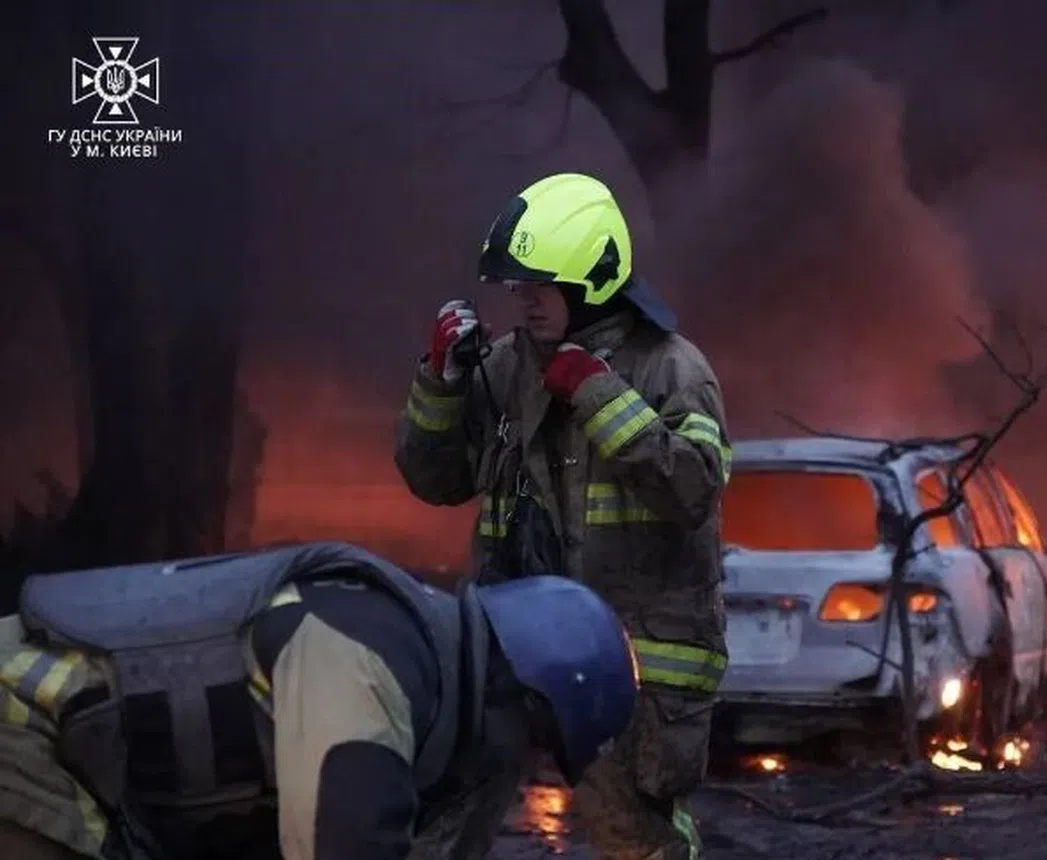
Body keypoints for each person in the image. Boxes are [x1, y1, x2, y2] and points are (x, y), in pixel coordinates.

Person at [395, 172, 732, 859]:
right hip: (511, 644)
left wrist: (600, 396)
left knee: (633, 840)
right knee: (442, 826)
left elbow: (694, 490)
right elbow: (434, 480)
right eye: (516, 287)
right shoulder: (504, 368)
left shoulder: (673, 370)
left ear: (593, 280)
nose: (524, 301)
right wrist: (442, 383)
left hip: (635, 655)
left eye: (538, 286)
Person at [0, 540, 638, 860]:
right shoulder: (367, 655)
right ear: (518, 695)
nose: (524, 772)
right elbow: (344, 844)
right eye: (535, 748)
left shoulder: (418, 665)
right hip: (20, 731)